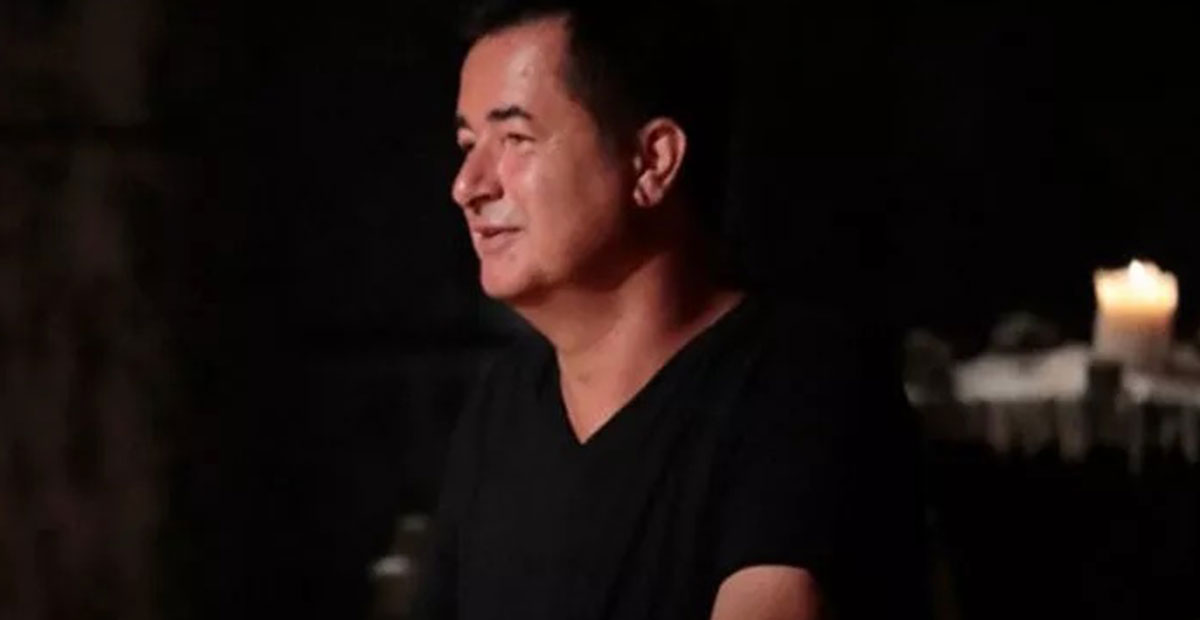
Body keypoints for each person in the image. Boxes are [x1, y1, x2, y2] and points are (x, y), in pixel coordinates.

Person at [418, 0, 928, 618]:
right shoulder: (503, 405)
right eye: (468, 144)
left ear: (653, 160)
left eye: (515, 140)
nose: (468, 185)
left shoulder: (799, 382)